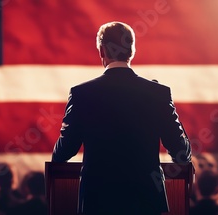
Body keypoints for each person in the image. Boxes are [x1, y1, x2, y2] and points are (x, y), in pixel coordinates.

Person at [51, 21, 192, 214]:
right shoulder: (157, 93)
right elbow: (181, 153)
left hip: (97, 201)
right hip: (146, 200)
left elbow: (64, 152)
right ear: (132, 51)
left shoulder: (82, 94)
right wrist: (167, 108)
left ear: (102, 51)